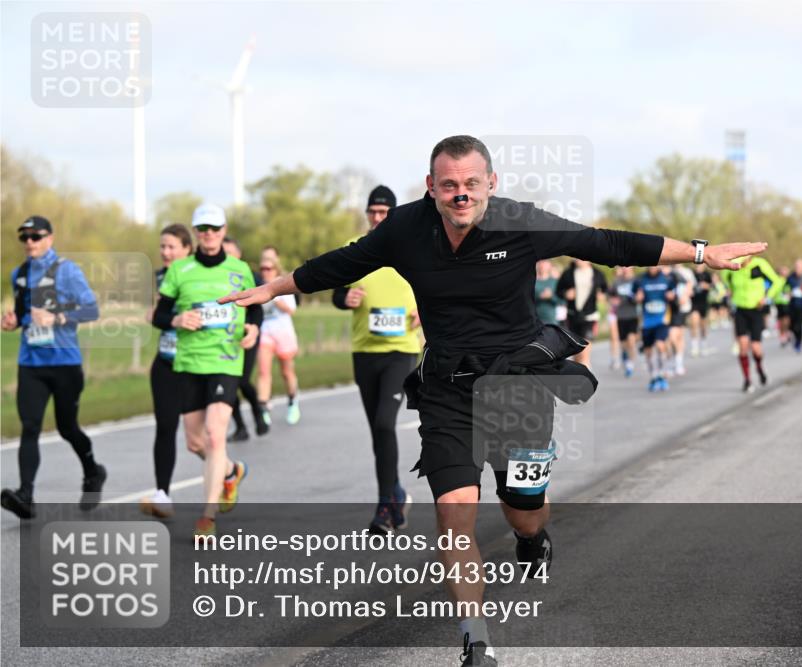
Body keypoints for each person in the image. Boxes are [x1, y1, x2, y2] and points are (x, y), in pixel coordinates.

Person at [221, 135, 765, 666]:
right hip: (446, 388)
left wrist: (701, 253)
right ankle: (476, 643)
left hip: (517, 385)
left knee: (523, 511)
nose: (461, 194)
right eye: (450, 184)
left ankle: (532, 540)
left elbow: (606, 243)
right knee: (454, 513)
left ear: (491, 184)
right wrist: (272, 289)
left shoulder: (520, 222)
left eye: (472, 184)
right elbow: (340, 263)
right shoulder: (407, 228)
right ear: (431, 186)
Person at [152, 203, 260, 539]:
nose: (209, 234)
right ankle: (230, 471)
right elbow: (158, 315)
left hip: (225, 361)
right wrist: (176, 320)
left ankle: (207, 517)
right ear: (197, 233)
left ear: (224, 231)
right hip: (189, 363)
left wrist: (253, 329)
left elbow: (255, 307)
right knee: (196, 442)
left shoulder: (240, 269)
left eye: (215, 229)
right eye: (203, 229)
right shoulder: (179, 270)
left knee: (216, 435)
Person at [1, 216, 106, 519]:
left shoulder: (67, 271)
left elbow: (91, 309)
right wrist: (12, 322)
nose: (30, 242)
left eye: (36, 236)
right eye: (25, 237)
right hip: (31, 363)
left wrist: (57, 317)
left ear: (50, 237)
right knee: (30, 426)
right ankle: (26, 496)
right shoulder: (18, 274)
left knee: (67, 427)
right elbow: (23, 316)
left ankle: (93, 471)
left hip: (65, 363)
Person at [332, 185, 422, 535]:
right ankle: (395, 493)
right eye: (374, 211)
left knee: (386, 422)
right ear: (368, 214)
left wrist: (425, 311)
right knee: (377, 430)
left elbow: (436, 286)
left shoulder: (412, 250)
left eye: (385, 212)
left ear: (394, 215)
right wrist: (345, 298)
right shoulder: (357, 249)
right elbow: (336, 290)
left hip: (401, 350)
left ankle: (385, 508)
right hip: (364, 351)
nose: (378, 217)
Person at [140, 224, 192, 518]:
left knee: (199, 438)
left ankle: (227, 471)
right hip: (166, 359)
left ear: (187, 248)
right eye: (162, 247)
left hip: (197, 363)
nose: (165, 252)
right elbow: (156, 315)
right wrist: (162, 316)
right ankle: (163, 493)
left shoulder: (199, 274)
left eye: (171, 246)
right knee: (166, 426)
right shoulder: (159, 276)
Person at [222, 237, 269, 441]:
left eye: (231, 253)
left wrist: (254, 328)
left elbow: (258, 309)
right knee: (228, 383)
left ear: (239, 255)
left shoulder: (250, 275)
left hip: (247, 336)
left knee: (241, 380)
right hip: (222, 339)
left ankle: (258, 412)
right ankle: (240, 426)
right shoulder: (212, 278)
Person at [721, 255, 782, 393]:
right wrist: (729, 290)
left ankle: (759, 368)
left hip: (756, 310)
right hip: (740, 310)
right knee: (742, 346)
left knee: (756, 348)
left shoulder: (759, 264)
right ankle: (747, 379)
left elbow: (777, 282)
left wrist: (766, 298)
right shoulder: (732, 267)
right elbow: (724, 277)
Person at [258, 255, 302, 425]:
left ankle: (292, 400)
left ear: (275, 270)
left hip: (283, 333)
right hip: (266, 332)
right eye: (262, 269)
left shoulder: (282, 285)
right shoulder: (259, 286)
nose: (265, 272)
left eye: (268, 268)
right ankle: (263, 409)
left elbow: (291, 310)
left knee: (286, 372)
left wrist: (274, 296)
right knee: (263, 372)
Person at [556, 259, 607, 369]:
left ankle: (586, 374)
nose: (578, 259)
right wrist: (566, 293)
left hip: (590, 316)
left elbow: (605, 290)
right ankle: (580, 372)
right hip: (572, 316)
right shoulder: (568, 273)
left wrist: (602, 296)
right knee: (576, 354)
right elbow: (558, 291)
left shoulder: (597, 273)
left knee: (584, 352)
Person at [635, 266, 673, 392]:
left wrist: (671, 296)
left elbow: (674, 294)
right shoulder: (640, 280)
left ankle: (662, 374)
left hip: (662, 320)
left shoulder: (666, 279)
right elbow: (634, 296)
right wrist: (638, 297)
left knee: (660, 344)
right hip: (647, 322)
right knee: (648, 351)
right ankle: (653, 377)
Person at [609, 266, 639, 377]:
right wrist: (613, 300)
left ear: (632, 268)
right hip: (620, 316)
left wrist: (638, 298)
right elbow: (610, 295)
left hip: (633, 314)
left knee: (631, 340)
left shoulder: (636, 281)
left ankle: (630, 363)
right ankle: (625, 356)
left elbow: (641, 294)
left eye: (628, 266)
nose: (626, 268)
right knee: (623, 343)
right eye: (624, 266)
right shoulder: (617, 282)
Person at [667, 264, 694, 376]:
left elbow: (689, 285)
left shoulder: (682, 273)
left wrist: (684, 296)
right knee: (668, 338)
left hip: (680, 308)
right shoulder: (664, 272)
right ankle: (670, 363)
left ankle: (678, 362)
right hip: (666, 309)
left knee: (675, 336)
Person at [689, 263, 712, 357]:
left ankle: (704, 344)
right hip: (694, 303)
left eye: (701, 264)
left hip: (704, 302)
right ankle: (694, 347)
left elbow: (712, 286)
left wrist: (705, 285)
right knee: (694, 323)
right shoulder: (691, 274)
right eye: (697, 264)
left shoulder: (707, 275)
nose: (699, 266)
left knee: (703, 325)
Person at [786, 259, 802, 353]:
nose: (797, 268)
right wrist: (788, 293)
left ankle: (799, 342)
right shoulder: (790, 277)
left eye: (799, 267)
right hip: (792, 305)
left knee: (798, 325)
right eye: (796, 266)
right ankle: (796, 338)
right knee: (792, 326)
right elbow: (785, 288)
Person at [533, 259, 561, 326]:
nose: (542, 265)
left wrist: (551, 296)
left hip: (551, 321)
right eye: (540, 262)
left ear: (550, 265)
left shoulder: (555, 282)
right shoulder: (531, 282)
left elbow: (562, 301)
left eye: (545, 262)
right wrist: (539, 296)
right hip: (534, 321)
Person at [773, 265, 791, 346]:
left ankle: (786, 332)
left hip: (788, 302)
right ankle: (782, 335)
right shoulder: (778, 280)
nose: (785, 272)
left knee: (787, 318)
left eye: (786, 270)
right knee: (782, 319)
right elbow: (773, 290)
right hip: (780, 302)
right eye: (783, 270)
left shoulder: (789, 280)